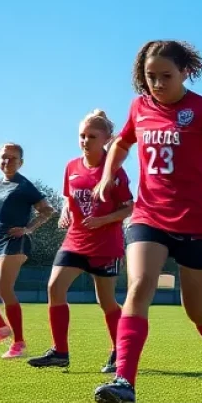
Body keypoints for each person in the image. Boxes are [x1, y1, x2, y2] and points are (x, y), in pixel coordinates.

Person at [91, 41, 202, 403]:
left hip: (198, 222)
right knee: (140, 285)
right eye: (150, 77)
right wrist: (108, 174)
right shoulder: (138, 107)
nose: (157, 84)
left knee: (196, 308)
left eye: (166, 76)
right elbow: (121, 143)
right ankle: (125, 383)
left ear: (184, 73)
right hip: (149, 216)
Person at [29, 110, 133, 371]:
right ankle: (60, 352)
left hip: (105, 244)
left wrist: (102, 221)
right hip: (75, 239)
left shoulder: (115, 170)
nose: (85, 141)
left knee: (106, 301)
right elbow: (69, 196)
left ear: (106, 139)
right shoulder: (71, 166)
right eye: (82, 136)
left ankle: (119, 351)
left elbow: (129, 207)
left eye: (92, 136)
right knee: (55, 288)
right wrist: (66, 209)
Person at [0, 143, 57, 358]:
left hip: (15, 240)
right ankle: (1, 327)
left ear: (21, 162)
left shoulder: (25, 186)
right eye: (2, 157)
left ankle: (19, 343)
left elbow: (48, 211)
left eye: (12, 158)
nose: (6, 161)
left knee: (4, 289)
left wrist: (28, 228)